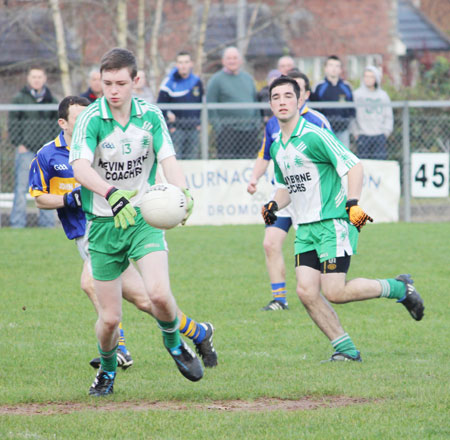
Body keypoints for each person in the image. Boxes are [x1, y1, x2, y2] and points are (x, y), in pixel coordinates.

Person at [29, 96, 217, 375]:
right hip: (86, 235)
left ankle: (120, 349)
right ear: (63, 123)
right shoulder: (48, 154)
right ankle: (198, 331)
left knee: (92, 284)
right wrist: (70, 200)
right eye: (79, 119)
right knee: (144, 300)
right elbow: (39, 199)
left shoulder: (106, 142)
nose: (86, 123)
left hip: (114, 226)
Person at [69, 48, 212, 396]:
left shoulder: (150, 116)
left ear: (136, 81)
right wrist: (111, 192)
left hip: (143, 220)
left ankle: (175, 345)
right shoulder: (92, 118)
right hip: (103, 226)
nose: (113, 90)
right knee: (110, 319)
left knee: (161, 296)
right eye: (107, 83)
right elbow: (80, 167)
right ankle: (106, 370)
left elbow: (169, 159)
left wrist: (184, 194)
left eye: (121, 83)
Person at [261, 76, 424, 362]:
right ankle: (346, 350)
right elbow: (287, 187)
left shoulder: (314, 134)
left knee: (334, 291)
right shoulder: (277, 147)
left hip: (333, 223)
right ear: (271, 104)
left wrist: (352, 203)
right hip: (306, 229)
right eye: (276, 97)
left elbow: (353, 165)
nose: (282, 101)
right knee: (306, 292)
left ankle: (399, 287)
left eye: (288, 95)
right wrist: (274, 204)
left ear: (300, 101)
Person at [248, 70, 331, 311]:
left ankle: (326, 289)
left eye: (292, 92)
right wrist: (254, 178)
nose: (284, 100)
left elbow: (335, 160)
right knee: (270, 243)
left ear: (303, 95)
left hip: (313, 199)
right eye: (278, 96)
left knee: (327, 275)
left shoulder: (317, 122)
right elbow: (265, 154)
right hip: (283, 195)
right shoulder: (274, 123)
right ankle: (279, 299)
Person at [8, 65, 58, 228]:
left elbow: (57, 125)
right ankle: (17, 224)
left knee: (46, 189)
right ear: (28, 79)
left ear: (45, 79)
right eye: (33, 77)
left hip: (45, 153)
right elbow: (13, 124)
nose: (37, 80)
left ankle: (47, 225)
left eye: (39, 77)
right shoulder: (19, 99)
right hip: (25, 151)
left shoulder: (52, 100)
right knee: (21, 189)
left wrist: (52, 147)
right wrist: (19, 144)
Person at [206, 46, 260, 158]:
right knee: (228, 166)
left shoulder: (248, 79)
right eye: (229, 58)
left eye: (235, 58)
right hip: (227, 132)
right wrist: (218, 128)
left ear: (240, 61)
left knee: (248, 166)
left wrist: (256, 125)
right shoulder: (216, 80)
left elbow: (255, 102)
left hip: (249, 131)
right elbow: (210, 105)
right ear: (223, 61)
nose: (232, 61)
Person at [157, 51, 203, 159]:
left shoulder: (197, 82)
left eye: (186, 62)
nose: (183, 65)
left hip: (193, 129)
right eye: (180, 62)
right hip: (176, 130)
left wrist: (198, 123)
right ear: (176, 65)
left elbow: (201, 104)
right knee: (176, 162)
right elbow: (160, 107)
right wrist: (169, 126)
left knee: (193, 163)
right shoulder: (168, 83)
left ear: (191, 64)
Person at [310, 55, 355, 147]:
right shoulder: (318, 87)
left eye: (337, 66)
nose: (333, 69)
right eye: (331, 65)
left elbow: (352, 108)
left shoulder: (347, 87)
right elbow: (314, 109)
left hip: (343, 130)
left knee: (344, 156)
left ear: (340, 69)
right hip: (324, 130)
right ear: (325, 68)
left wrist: (348, 123)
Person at [352, 65, 393, 160]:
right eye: (366, 76)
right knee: (364, 165)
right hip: (362, 135)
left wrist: (386, 132)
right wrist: (356, 132)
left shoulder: (383, 95)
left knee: (380, 166)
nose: (368, 79)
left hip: (379, 136)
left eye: (371, 76)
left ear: (376, 78)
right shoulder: (357, 95)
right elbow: (352, 115)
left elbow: (388, 115)